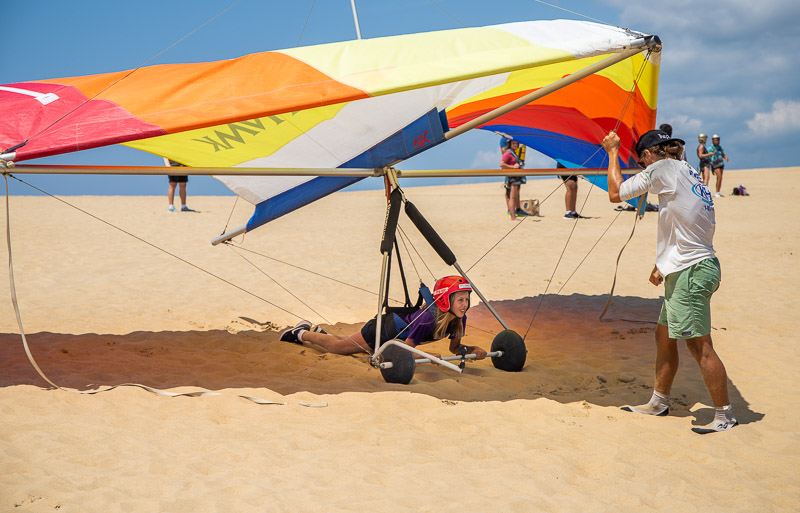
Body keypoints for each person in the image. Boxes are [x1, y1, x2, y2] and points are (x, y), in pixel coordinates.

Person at [601, 128, 737, 434]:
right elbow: (683, 221)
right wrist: (662, 265)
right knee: (664, 335)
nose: (642, 169)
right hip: (690, 265)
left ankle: (725, 415)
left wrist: (612, 151)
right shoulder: (685, 168)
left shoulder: (661, 168)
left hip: (692, 271)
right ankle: (659, 401)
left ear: (648, 156)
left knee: (699, 346)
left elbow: (614, 193)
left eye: (640, 162)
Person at [279, 276, 488, 361]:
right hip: (381, 331)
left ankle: (318, 333)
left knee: (350, 347)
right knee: (339, 348)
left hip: (392, 341)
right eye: (460, 299)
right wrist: (429, 356)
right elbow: (406, 350)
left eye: (466, 299)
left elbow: (454, 349)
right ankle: (300, 332)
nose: (465, 304)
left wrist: (470, 350)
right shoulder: (427, 320)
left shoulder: (460, 320)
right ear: (444, 300)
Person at [500, 139, 528, 220]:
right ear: (510, 144)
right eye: (513, 143)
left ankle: (514, 215)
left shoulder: (513, 152)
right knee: (512, 198)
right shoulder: (508, 152)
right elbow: (502, 164)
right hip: (512, 178)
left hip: (515, 177)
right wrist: (513, 167)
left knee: (514, 197)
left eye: (516, 143)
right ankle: (513, 217)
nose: (515, 145)